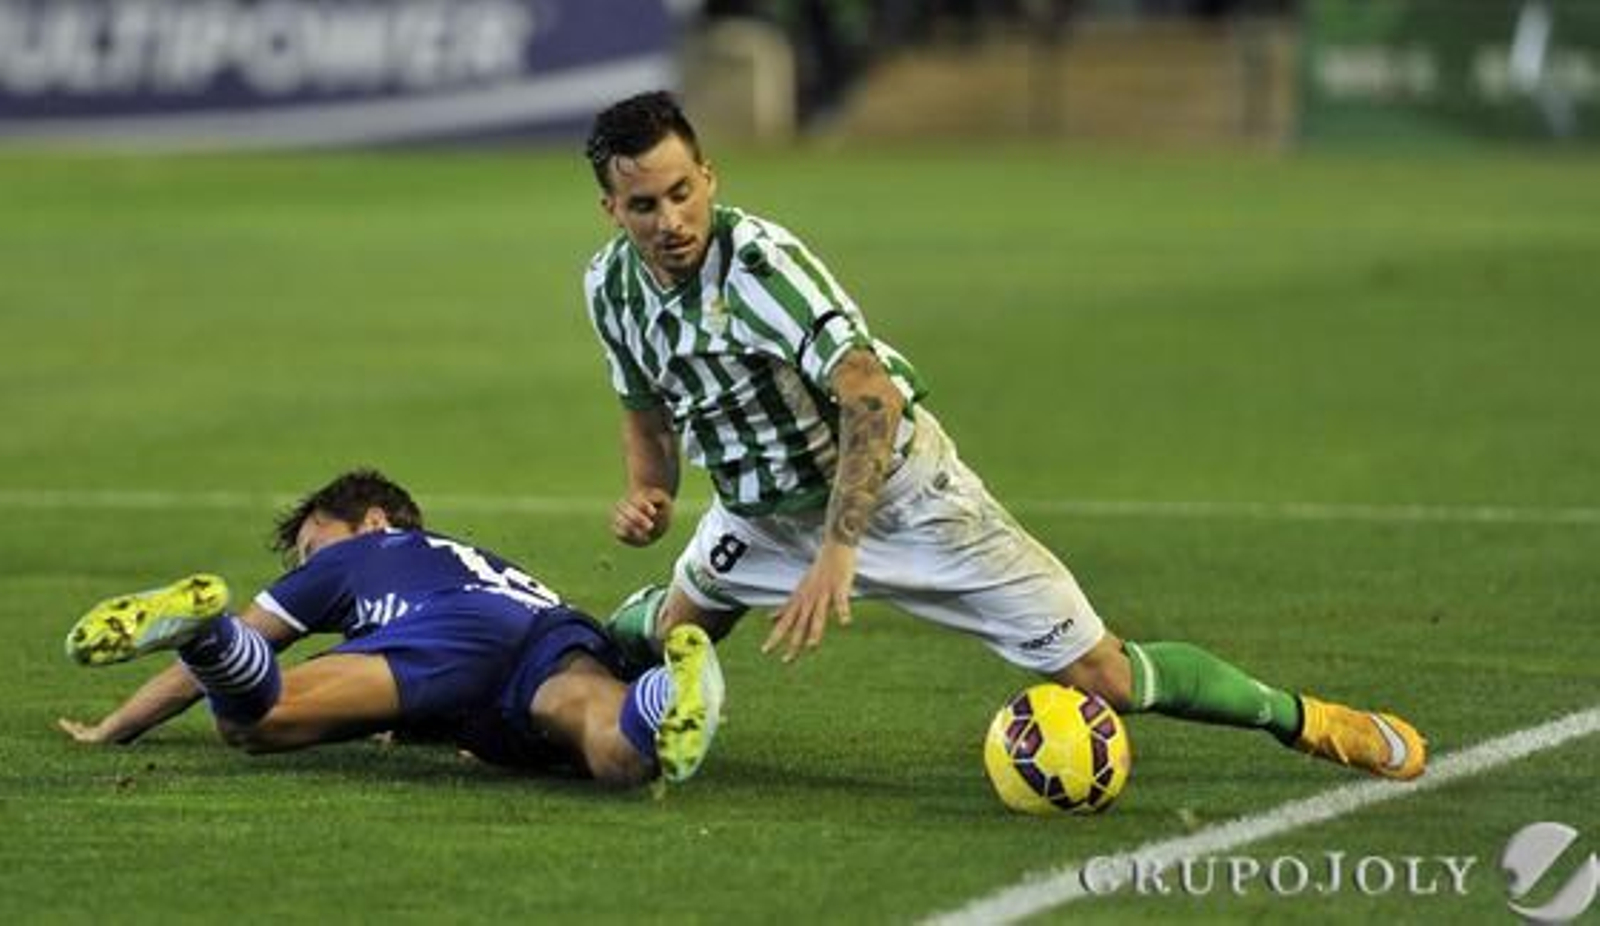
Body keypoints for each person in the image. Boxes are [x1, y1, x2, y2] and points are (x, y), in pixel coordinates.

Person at [580, 91, 1426, 781]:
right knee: (657, 637)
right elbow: (646, 413)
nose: (672, 220)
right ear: (613, 208)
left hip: (906, 502)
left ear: (709, 176)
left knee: (1106, 678)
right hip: (763, 519)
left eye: (684, 191)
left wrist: (838, 552)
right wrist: (650, 493)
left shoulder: (764, 272)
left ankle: (1310, 721)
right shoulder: (610, 290)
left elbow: (870, 400)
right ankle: (526, 698)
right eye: (646, 204)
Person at [58, 469, 724, 787]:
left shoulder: (362, 555)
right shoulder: (473, 561)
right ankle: (670, 689)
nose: (310, 569)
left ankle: (202, 632)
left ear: (374, 522)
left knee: (251, 723)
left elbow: (257, 639)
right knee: (619, 756)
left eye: (312, 551)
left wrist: (113, 727)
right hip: (552, 631)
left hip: (448, 635)